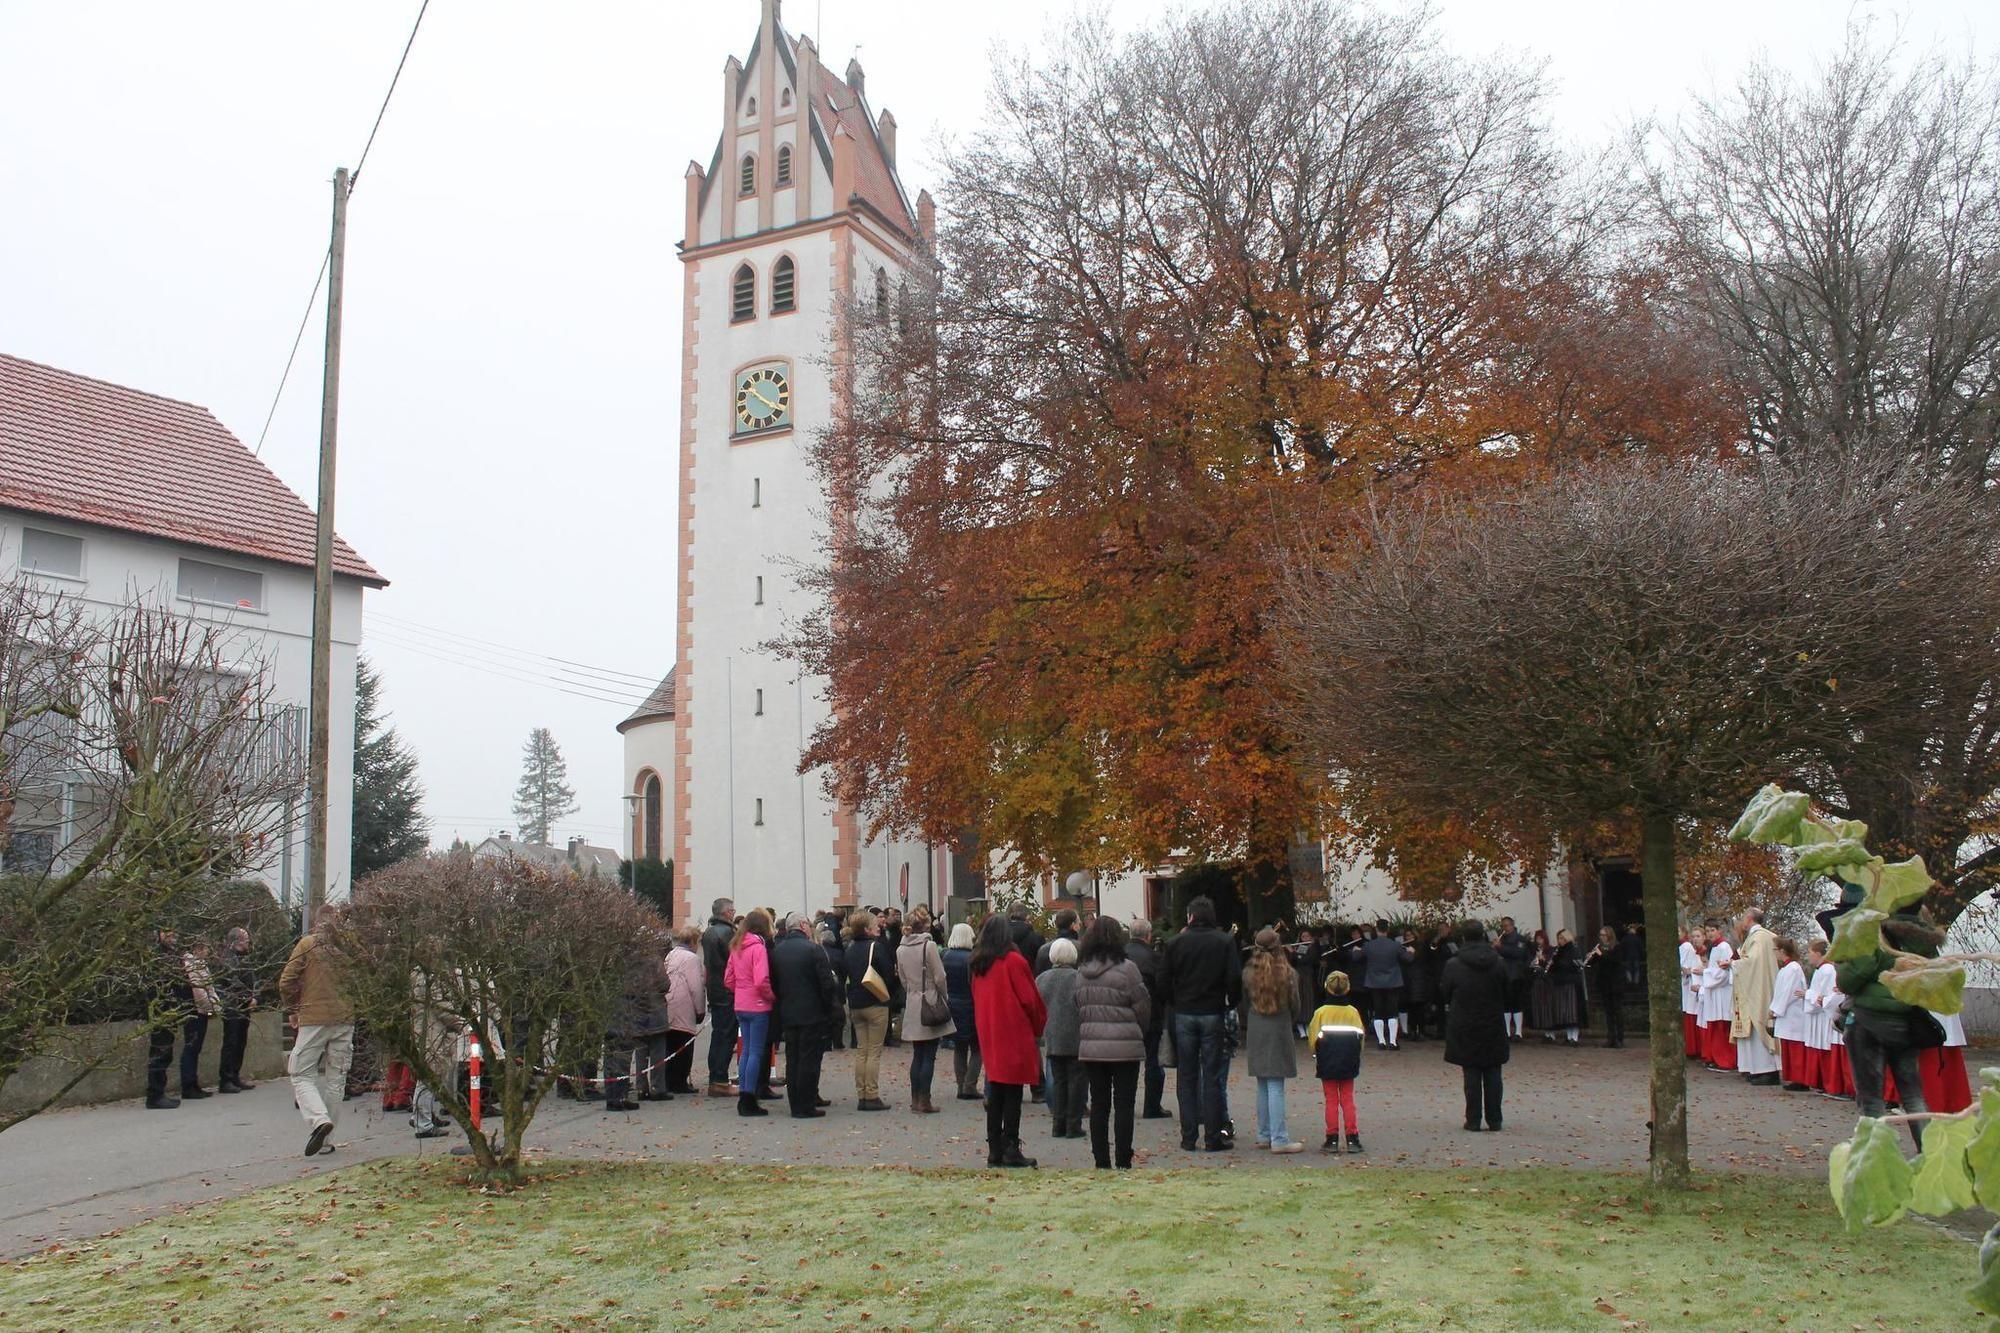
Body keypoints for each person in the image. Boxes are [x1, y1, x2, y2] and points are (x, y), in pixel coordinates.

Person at [1838, 907, 1941, 1146]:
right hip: (1906, 1023)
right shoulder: (1924, 942)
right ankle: (1929, 1154)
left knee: (1872, 1099)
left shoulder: (1875, 934)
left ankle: (1876, 1157)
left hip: (1869, 1023)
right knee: (1914, 1096)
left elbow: (1849, 979)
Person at [1163, 895, 1240, 1153]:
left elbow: (1163, 981)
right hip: (1212, 1011)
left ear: (1190, 916)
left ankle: (1188, 1137)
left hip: (1184, 1012)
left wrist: (1175, 1001)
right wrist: (1229, 1003)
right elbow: (1234, 978)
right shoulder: (1224, 942)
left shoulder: (1175, 943)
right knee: (1212, 1075)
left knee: (1186, 1076)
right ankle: (1213, 1137)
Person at [971, 913, 1047, 1168]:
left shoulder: (979, 963)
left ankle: (995, 1148)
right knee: (1013, 1091)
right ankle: (1011, 1146)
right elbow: (1030, 1000)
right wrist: (1037, 1027)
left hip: (989, 1030)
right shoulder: (1014, 961)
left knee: (997, 1091)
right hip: (1012, 1030)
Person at [279, 911, 356, 1157]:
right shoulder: (349, 948)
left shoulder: (307, 944)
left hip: (313, 1018)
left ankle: (318, 1120)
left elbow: (286, 980)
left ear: (315, 924)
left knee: (300, 1072)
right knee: (336, 1079)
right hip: (344, 1019)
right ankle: (327, 1141)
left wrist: (293, 1008)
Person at [1075, 916, 1148, 1169]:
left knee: (1099, 1103)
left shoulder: (1082, 971)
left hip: (1092, 1046)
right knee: (1124, 1104)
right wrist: (1140, 1029)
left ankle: (1101, 1160)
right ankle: (1123, 1159)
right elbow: (1142, 1005)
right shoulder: (1128, 969)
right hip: (1125, 1045)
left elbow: (1078, 1006)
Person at [1241, 928, 1306, 1154]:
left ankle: (1264, 1133)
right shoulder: (1288, 974)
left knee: (1262, 1083)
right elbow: (1296, 1004)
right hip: (1278, 1025)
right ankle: (1279, 1138)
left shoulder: (1248, 973)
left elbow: (1243, 1001)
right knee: (1276, 1084)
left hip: (1257, 1026)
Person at [1441, 920, 1509, 1133]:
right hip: (1492, 1020)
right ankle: (1495, 1119)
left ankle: (1473, 1119)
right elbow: (1508, 989)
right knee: (1493, 1071)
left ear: (1463, 937)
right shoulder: (1498, 962)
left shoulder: (1454, 964)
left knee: (1470, 1072)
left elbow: (1444, 992)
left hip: (1465, 1021)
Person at [772, 911, 838, 1118]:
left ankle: (795, 1104)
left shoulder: (778, 951)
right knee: (809, 1060)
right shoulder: (814, 950)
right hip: (812, 1012)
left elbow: (774, 984)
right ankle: (806, 1104)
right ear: (802, 925)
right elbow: (826, 984)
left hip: (788, 1012)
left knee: (793, 1060)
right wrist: (830, 1009)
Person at [896, 906, 955, 1114]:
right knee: (929, 1054)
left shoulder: (900, 949)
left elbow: (902, 979)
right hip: (929, 998)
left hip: (913, 1002)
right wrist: (943, 995)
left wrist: (912, 991)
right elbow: (940, 976)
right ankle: (924, 1100)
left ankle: (914, 1099)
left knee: (917, 1053)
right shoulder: (928, 946)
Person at [723, 908, 776, 1118]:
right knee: (756, 1052)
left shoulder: (736, 946)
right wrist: (771, 996)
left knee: (745, 1052)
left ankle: (744, 1094)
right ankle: (749, 1096)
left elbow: (728, 979)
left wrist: (741, 992)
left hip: (741, 1003)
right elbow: (762, 979)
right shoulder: (758, 948)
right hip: (758, 1004)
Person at [1308, 971, 1366, 1154]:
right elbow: (1361, 1037)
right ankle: (1352, 1138)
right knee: (1348, 1099)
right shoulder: (1353, 1012)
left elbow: (1312, 1039)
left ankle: (1331, 1138)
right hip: (1349, 1060)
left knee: (1331, 1100)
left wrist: (1316, 1055)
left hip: (1327, 1060)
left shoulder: (1321, 1013)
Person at [843, 910, 894, 1111]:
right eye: (874, 925)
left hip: (856, 1003)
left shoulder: (850, 948)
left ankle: (861, 1093)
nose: (878, 927)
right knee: (874, 1051)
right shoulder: (876, 947)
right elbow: (888, 975)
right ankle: (871, 1093)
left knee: (862, 1050)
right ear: (866, 929)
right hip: (875, 1002)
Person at [1036, 938, 1086, 1138]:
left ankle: (1058, 1123)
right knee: (1077, 1082)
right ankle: (1073, 1124)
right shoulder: (1079, 978)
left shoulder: (1041, 979)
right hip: (1076, 1035)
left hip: (1053, 1034)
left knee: (1058, 1081)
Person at [1126, 918, 1171, 1119]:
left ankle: (1125, 1102)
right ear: (1148, 935)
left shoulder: (1121, 955)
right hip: (1151, 1015)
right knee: (1153, 1061)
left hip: (1125, 1015)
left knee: (1127, 1062)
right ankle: (1152, 1106)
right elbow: (1162, 987)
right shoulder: (1154, 958)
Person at [1731, 907, 1781, 1086]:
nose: (1742, 921)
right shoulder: (1764, 936)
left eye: (1744, 917)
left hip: (1758, 987)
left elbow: (1753, 962)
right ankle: (1755, 1068)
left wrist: (1733, 964)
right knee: (1751, 1026)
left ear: (1750, 918)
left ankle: (1766, 1070)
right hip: (1758, 984)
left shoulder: (1759, 938)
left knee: (1758, 1022)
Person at [702, 898, 740, 1096]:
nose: (734, 913)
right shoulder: (727, 933)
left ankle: (715, 1077)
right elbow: (734, 961)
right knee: (726, 1036)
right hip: (727, 990)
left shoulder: (709, 932)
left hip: (715, 990)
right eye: (732, 910)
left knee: (718, 1036)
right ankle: (719, 1080)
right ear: (726, 913)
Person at [663, 926, 706, 1095]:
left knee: (669, 1044)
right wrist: (700, 1010)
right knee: (684, 1044)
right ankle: (679, 1082)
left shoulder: (670, 955)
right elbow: (696, 987)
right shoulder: (692, 959)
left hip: (668, 1002)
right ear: (694, 941)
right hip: (684, 1004)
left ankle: (667, 1080)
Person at [943, 922, 983, 1101]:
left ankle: (960, 1085)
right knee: (977, 1048)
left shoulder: (945, 956)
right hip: (971, 1004)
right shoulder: (972, 958)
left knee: (959, 1047)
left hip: (952, 1003)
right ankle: (970, 1085)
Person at [215, 927, 258, 1093]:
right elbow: (231, 983)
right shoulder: (227, 959)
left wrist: (254, 996)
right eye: (246, 939)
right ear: (237, 941)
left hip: (243, 1007)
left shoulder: (244, 959)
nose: (248, 943)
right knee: (231, 1042)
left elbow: (252, 979)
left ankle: (234, 1075)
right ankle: (225, 1079)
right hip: (232, 1006)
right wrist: (245, 997)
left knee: (240, 1042)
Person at [1359, 920, 1410, 1051]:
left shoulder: (1369, 945)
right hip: (1393, 981)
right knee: (1392, 1011)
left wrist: (1355, 950)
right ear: (1388, 930)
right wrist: (1411, 951)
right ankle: (1393, 1041)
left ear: (1376, 930)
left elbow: (1357, 957)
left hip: (1374, 982)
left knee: (1378, 1011)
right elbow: (1407, 959)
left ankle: (1381, 1041)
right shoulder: (1395, 945)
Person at [179, 939, 220, 1099]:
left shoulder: (200, 964)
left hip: (201, 1010)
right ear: (197, 949)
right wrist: (210, 1008)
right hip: (196, 1011)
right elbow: (199, 990)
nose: (208, 952)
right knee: (192, 1048)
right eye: (205, 949)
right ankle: (188, 1086)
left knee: (195, 1048)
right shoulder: (192, 965)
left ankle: (193, 1084)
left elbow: (209, 987)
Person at [1769, 938, 1811, 1091]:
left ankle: (1800, 1079)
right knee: (1788, 1046)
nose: (1774, 953)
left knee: (1795, 1047)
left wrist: (1776, 1009)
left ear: (1782, 951)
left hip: (1793, 1014)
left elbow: (1788, 992)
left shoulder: (1793, 968)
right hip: (1786, 1014)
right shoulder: (1785, 969)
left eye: (1775, 950)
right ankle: (1792, 1076)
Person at [1699, 921, 1736, 1071]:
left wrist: (1705, 973)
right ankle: (1716, 1057)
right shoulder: (1714, 948)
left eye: (1712, 930)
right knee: (1715, 1027)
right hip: (1714, 992)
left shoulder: (1724, 947)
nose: (1710, 934)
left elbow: (1724, 972)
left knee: (1722, 1027)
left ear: (1719, 930)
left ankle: (1726, 1061)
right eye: (1707, 931)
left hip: (1722, 992)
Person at [1801, 937, 1836, 1094]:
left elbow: (1822, 995)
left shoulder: (1827, 970)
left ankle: (1827, 1083)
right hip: (1817, 1015)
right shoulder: (1821, 970)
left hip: (1823, 1016)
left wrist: (1806, 994)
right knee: (1818, 1046)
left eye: (1810, 952)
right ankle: (1819, 1081)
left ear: (1817, 953)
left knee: (1823, 1047)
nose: (1808, 956)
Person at [1585, 926, 1625, 1048]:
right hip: (1604, 983)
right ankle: (1610, 1037)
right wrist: (1590, 957)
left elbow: (1614, 961)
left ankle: (1619, 1038)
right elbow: (1594, 963)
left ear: (1609, 935)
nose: (1601, 937)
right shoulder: (1600, 948)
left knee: (1617, 1010)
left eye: (1604, 935)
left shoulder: (1617, 947)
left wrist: (1601, 954)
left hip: (1615, 983)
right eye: (1600, 935)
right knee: (1608, 1011)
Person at [1545, 929, 1585, 1046]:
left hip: (1572, 982)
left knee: (1572, 1011)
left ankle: (1574, 1037)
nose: (1559, 941)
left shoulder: (1573, 949)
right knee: (1565, 1011)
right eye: (1558, 938)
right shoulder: (1558, 951)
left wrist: (1559, 964)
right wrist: (1551, 965)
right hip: (1561, 982)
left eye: (1562, 938)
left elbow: (1574, 965)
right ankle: (1568, 1036)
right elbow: (1555, 967)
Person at [1494, 918, 1530, 1040]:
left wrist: (1500, 948)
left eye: (1507, 926)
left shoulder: (1520, 939)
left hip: (1516, 975)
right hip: (1503, 974)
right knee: (1505, 1005)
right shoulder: (1501, 939)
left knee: (1517, 1004)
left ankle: (1518, 1032)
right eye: (1503, 926)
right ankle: (1507, 1032)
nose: (1505, 929)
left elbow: (1518, 953)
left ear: (1512, 925)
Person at [1678, 926, 1705, 1058]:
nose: (1695, 939)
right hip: (1690, 987)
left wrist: (1690, 971)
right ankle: (1692, 1049)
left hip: (1700, 988)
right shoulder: (1692, 951)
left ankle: (1698, 1050)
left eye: (1698, 936)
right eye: (1693, 937)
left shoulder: (1696, 950)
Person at [1035, 908, 1081, 976]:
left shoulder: (1044, 949)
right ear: (1073, 925)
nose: (1080, 926)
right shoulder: (1082, 948)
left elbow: (1038, 974)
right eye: (1078, 923)